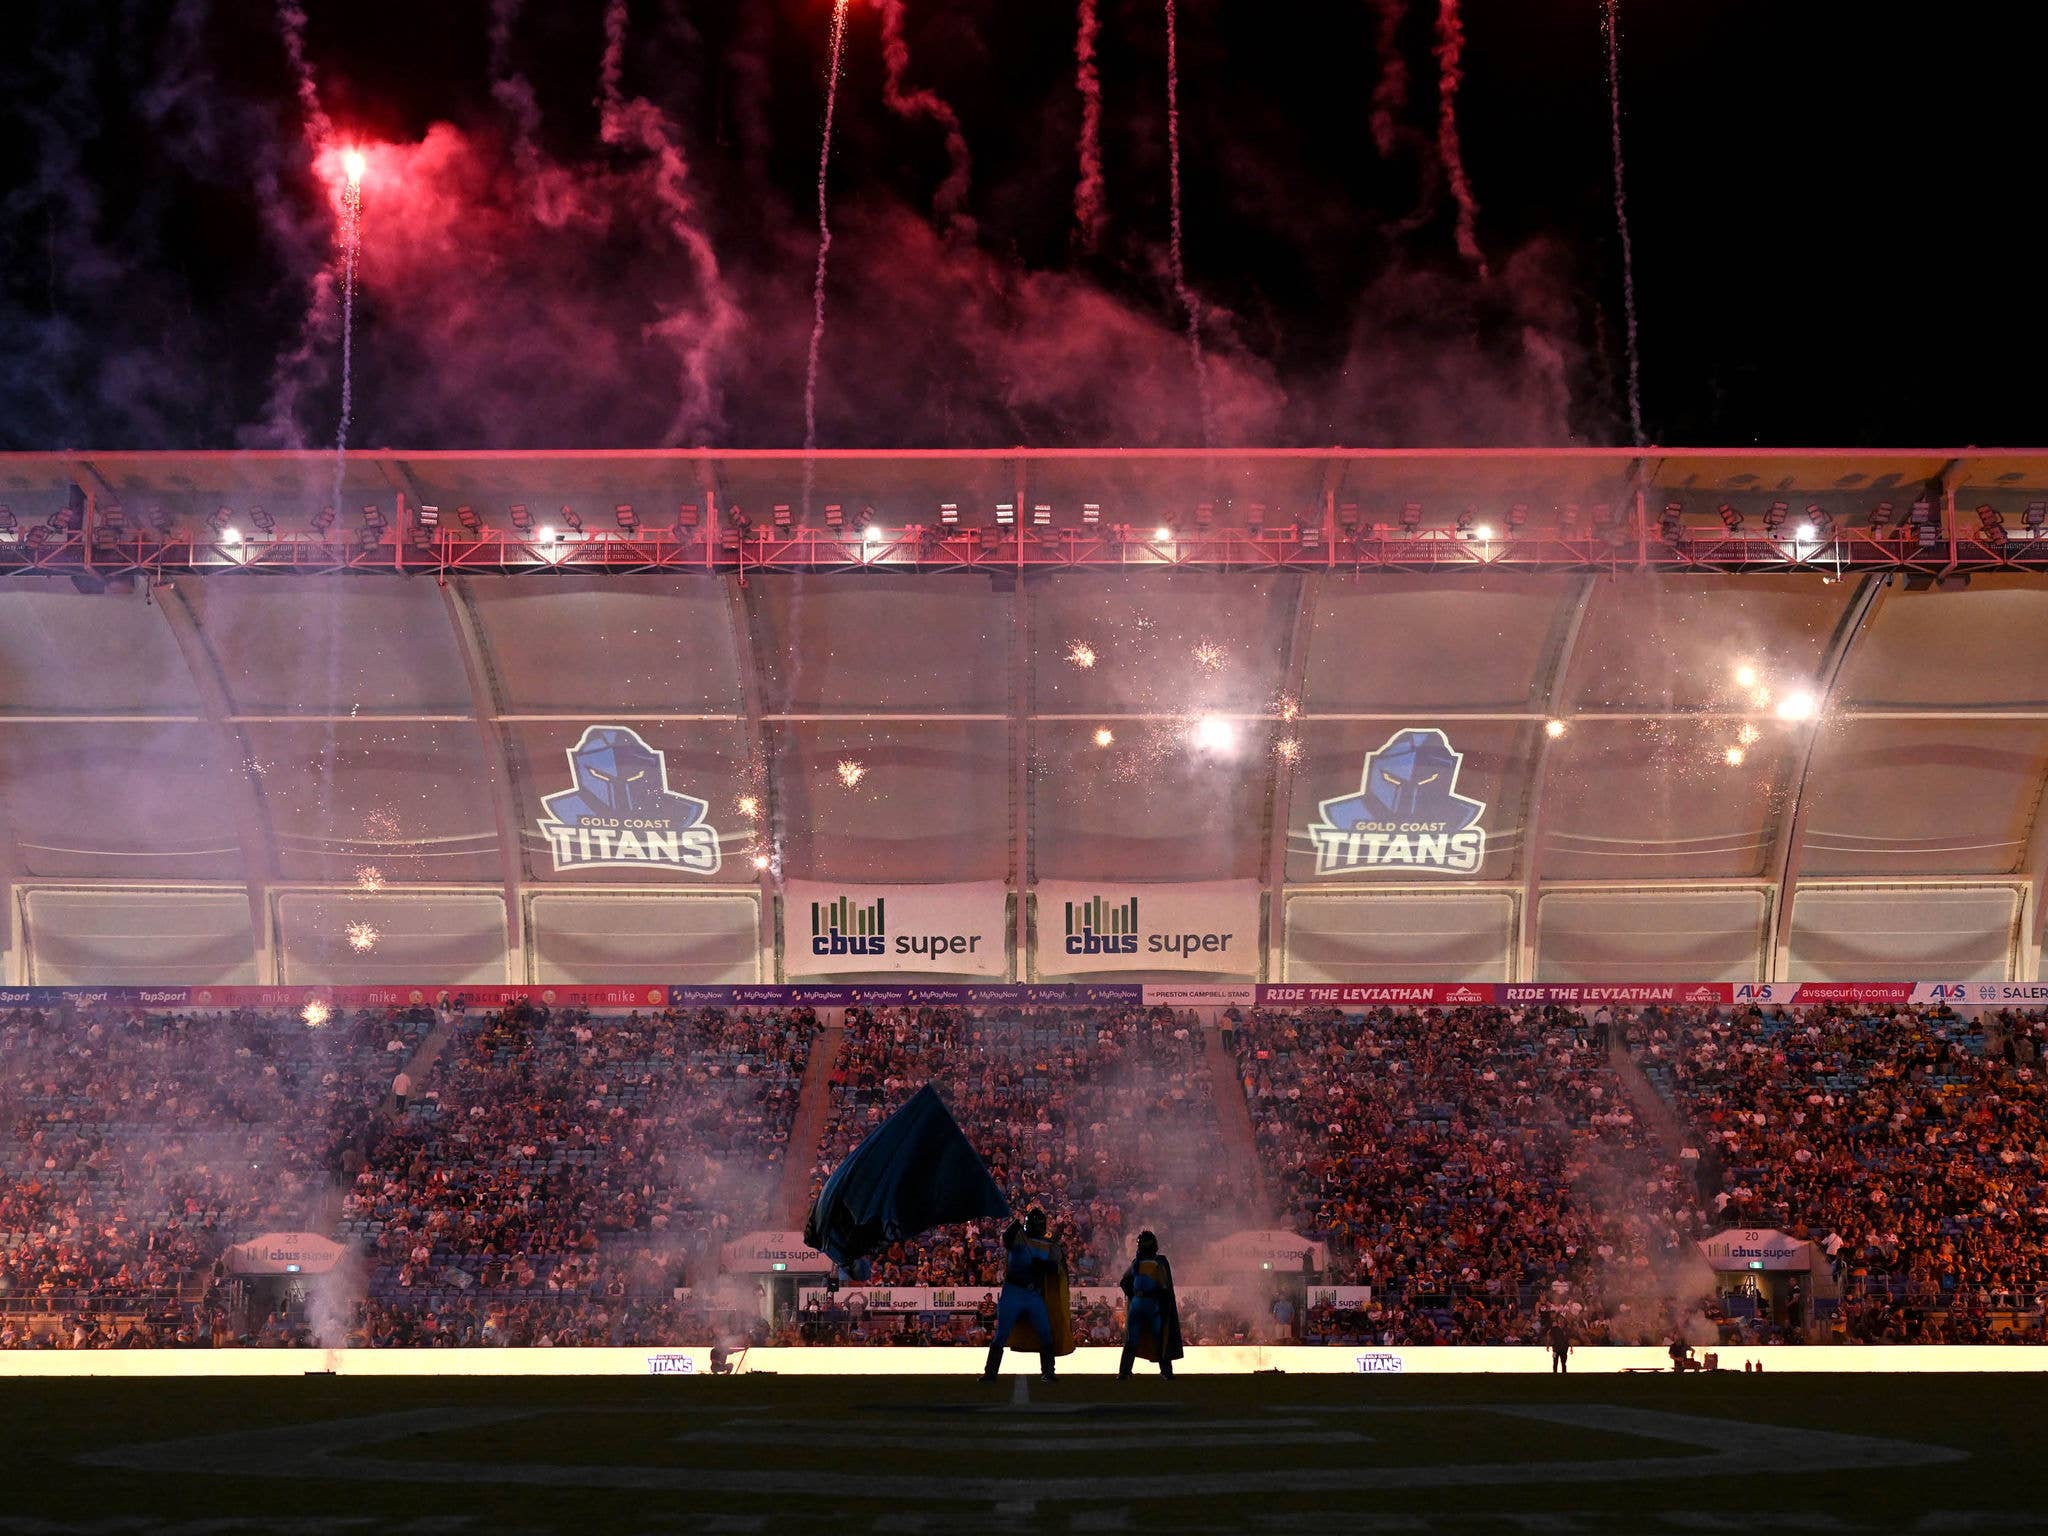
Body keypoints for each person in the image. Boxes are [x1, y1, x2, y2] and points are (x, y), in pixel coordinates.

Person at [983, 1208, 1065, 1382]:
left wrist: (1043, 1265)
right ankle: (990, 1373)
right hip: (1014, 1291)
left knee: (1045, 1333)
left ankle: (1048, 1372)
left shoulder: (1048, 1244)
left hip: (1033, 1293)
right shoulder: (1020, 1237)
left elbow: (1056, 1268)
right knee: (1001, 1334)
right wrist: (1016, 1222)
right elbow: (1006, 1239)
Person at [1118, 1231, 1183, 1378]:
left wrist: (1134, 1295)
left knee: (1134, 1339)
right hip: (1152, 1304)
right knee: (1159, 1337)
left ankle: (1125, 1372)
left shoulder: (1138, 1262)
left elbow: (1125, 1282)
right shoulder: (1156, 1262)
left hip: (1141, 1303)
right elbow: (1164, 1287)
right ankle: (1166, 1372)